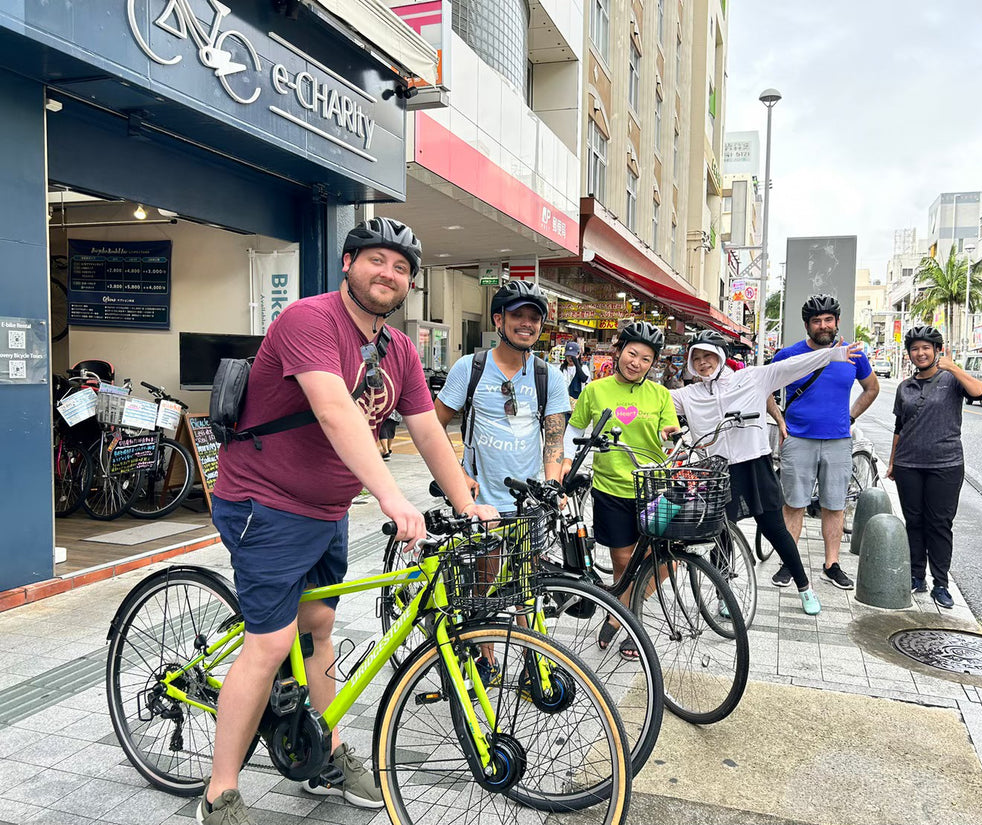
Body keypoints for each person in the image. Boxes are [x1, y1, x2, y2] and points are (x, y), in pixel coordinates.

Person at [202, 218, 498, 825]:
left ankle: (325, 753)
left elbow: (427, 429)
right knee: (270, 643)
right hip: (264, 502)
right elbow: (336, 411)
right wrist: (392, 497)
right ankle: (220, 793)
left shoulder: (400, 349)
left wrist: (467, 505)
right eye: (377, 260)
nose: (388, 274)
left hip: (326, 512)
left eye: (401, 268)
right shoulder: (309, 321)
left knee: (318, 627)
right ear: (347, 263)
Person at [670, 330, 866, 616]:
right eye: (696, 358)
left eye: (708, 356)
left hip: (754, 465)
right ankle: (724, 593)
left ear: (722, 357)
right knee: (721, 533)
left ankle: (804, 586)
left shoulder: (751, 378)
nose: (702, 363)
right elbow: (655, 402)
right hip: (716, 471)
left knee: (775, 529)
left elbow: (792, 367)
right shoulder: (688, 395)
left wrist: (834, 354)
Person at [563, 322, 679, 659]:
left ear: (653, 363)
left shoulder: (659, 395)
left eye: (646, 358)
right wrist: (566, 462)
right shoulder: (595, 390)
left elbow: (665, 432)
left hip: (654, 487)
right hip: (610, 487)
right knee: (623, 563)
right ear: (619, 351)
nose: (637, 363)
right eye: (632, 353)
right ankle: (631, 624)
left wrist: (670, 435)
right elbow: (574, 429)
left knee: (666, 562)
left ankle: (620, 610)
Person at [770, 294, 879, 591]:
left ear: (837, 322)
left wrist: (851, 417)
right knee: (793, 505)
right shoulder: (789, 354)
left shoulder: (852, 354)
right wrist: (780, 420)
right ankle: (788, 563)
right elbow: (763, 386)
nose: (823, 325)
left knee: (834, 505)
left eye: (828, 320)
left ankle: (832, 565)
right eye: (816, 321)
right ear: (807, 325)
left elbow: (872, 388)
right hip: (798, 440)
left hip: (838, 441)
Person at [435, 281, 572, 514]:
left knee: (533, 553)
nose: (527, 324)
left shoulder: (550, 376)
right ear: (499, 320)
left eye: (534, 318)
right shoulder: (469, 368)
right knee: (487, 553)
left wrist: (552, 485)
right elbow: (434, 425)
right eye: (517, 315)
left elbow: (554, 441)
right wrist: (459, 477)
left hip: (530, 503)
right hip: (477, 501)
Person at [887, 326, 982, 608]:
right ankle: (916, 576)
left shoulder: (951, 380)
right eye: (915, 349)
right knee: (914, 522)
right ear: (909, 354)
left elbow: (979, 392)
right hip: (908, 464)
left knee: (939, 524)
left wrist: (954, 367)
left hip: (946, 464)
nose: (920, 353)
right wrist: (893, 460)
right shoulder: (904, 387)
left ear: (937, 351)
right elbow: (899, 426)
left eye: (926, 348)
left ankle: (941, 584)